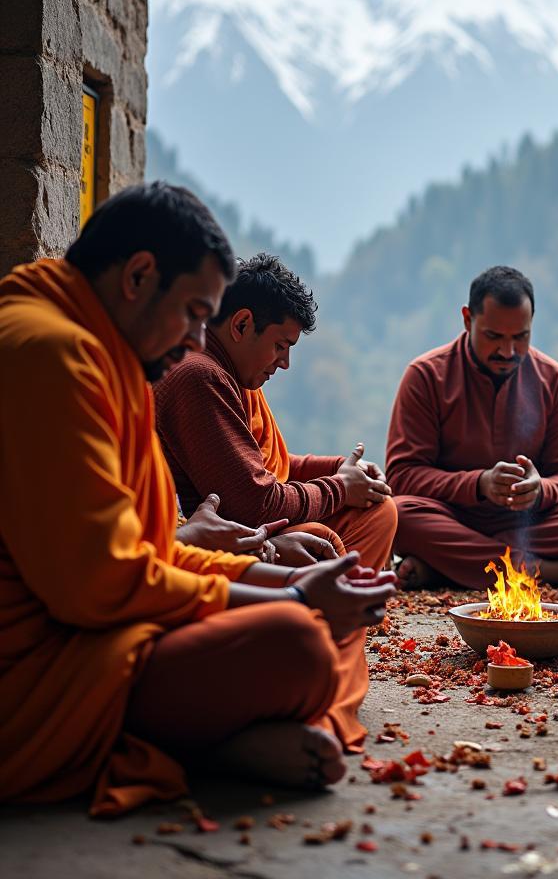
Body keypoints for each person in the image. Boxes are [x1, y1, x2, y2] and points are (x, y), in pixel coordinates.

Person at [0, 184, 395, 816]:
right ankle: (208, 746)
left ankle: (222, 736)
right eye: (191, 314)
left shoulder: (105, 353)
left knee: (309, 607)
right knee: (298, 640)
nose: (192, 343)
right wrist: (288, 594)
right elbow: (102, 583)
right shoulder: (49, 356)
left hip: (105, 631)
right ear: (137, 276)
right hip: (43, 675)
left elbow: (150, 551)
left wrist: (272, 577)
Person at [155, 252, 396, 751]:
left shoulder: (230, 373)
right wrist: (337, 489)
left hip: (247, 522)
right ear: (241, 323)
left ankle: (335, 638)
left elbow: (268, 468)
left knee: (379, 509)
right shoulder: (197, 374)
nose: (284, 362)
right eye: (281, 346)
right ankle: (327, 663)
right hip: (231, 533)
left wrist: (338, 471)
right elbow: (256, 503)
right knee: (321, 542)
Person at [387, 265, 558, 590]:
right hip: (453, 519)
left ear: (532, 324)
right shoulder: (426, 376)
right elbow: (402, 476)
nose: (508, 352)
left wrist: (540, 491)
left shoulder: (551, 378)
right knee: (397, 515)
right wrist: (479, 484)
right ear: (468, 320)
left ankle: (446, 568)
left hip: (522, 523)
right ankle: (539, 570)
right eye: (493, 337)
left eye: (520, 337)